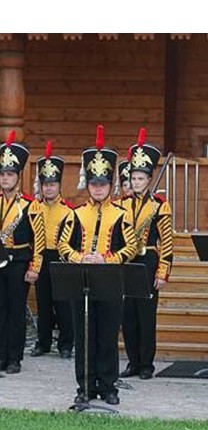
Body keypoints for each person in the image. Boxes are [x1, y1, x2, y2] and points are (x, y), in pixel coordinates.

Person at [58, 125, 137, 405]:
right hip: (81, 280)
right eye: (94, 184)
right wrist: (80, 258)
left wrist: (106, 258)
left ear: (109, 185)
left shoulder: (122, 214)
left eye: (103, 184)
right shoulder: (75, 214)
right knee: (85, 337)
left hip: (110, 281)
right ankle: (85, 386)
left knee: (107, 336)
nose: (99, 188)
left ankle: (109, 385)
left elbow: (131, 247)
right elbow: (63, 246)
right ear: (88, 184)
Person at [119, 128, 173, 380]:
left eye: (141, 178)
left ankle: (146, 364)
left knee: (145, 314)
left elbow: (168, 242)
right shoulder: (121, 205)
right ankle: (132, 361)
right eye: (133, 178)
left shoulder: (160, 205)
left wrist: (163, 272)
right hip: (126, 261)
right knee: (127, 314)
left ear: (149, 180)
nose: (137, 183)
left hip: (149, 260)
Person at [0, 130, 45, 374]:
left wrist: (35, 267)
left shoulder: (30, 204)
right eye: (2, 174)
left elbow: (39, 239)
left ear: (18, 176)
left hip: (19, 261)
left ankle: (14, 358)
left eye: (9, 174)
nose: (5, 179)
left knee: (16, 311)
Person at [30, 141, 75, 359]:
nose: (49, 187)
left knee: (63, 302)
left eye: (53, 184)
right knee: (43, 301)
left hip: (61, 258)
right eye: (45, 184)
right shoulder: (33, 207)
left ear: (59, 185)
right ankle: (43, 342)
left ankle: (66, 344)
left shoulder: (69, 210)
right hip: (41, 256)